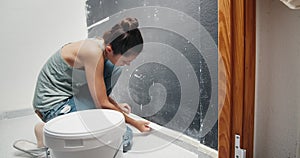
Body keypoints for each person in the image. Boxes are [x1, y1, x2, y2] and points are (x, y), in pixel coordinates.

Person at [32, 17, 151, 149]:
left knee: (115, 67)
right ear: (110, 49)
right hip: (52, 105)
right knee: (122, 137)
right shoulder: (93, 53)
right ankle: (48, 133)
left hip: (71, 96)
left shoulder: (102, 46)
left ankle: (61, 129)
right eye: (125, 60)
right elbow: (102, 102)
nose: (128, 64)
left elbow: (98, 94)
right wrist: (135, 123)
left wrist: (116, 106)